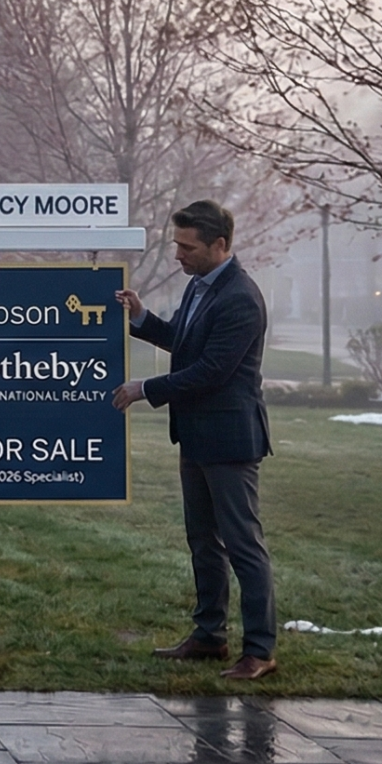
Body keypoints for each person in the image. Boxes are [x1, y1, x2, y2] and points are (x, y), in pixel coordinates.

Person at [112, 199, 277, 681]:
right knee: (203, 542)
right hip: (199, 437)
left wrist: (145, 389)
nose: (178, 256)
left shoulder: (241, 298)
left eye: (188, 247)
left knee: (244, 546)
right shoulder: (202, 288)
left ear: (219, 245)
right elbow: (186, 344)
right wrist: (142, 318)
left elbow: (210, 371)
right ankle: (209, 637)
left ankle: (261, 651)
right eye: (176, 245)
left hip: (230, 440)